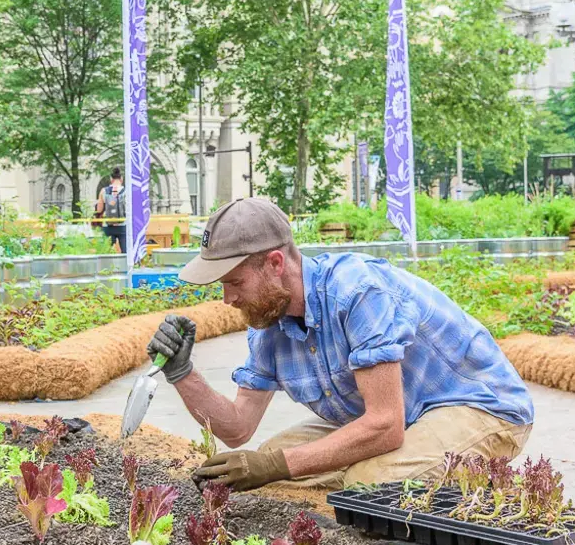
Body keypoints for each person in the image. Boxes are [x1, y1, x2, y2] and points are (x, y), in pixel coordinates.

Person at [146, 198, 534, 492]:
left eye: (235, 282)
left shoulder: (357, 293)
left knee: (370, 482)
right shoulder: (269, 323)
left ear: (275, 264)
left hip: (479, 407)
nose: (227, 298)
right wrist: (182, 373)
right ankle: (424, 465)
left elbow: (384, 425)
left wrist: (280, 466)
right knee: (267, 461)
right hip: (399, 418)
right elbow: (237, 429)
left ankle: (485, 486)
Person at [96, 168, 127, 253]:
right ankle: (126, 266)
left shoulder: (103, 191)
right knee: (126, 252)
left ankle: (107, 266)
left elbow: (99, 210)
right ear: (121, 179)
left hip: (108, 225)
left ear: (111, 179)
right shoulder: (126, 191)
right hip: (123, 225)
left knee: (106, 251)